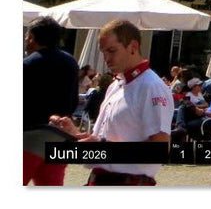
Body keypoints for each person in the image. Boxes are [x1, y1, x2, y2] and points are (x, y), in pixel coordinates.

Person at [48, 19, 171, 186]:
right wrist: (75, 134)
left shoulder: (151, 86)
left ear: (133, 47)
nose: (106, 58)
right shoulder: (116, 85)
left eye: (112, 51)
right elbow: (104, 141)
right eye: (103, 52)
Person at [23, 16, 80, 186]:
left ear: (32, 38)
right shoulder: (71, 62)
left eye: (27, 36)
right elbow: (73, 101)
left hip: (30, 136)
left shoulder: (28, 64)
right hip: (61, 137)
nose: (25, 40)